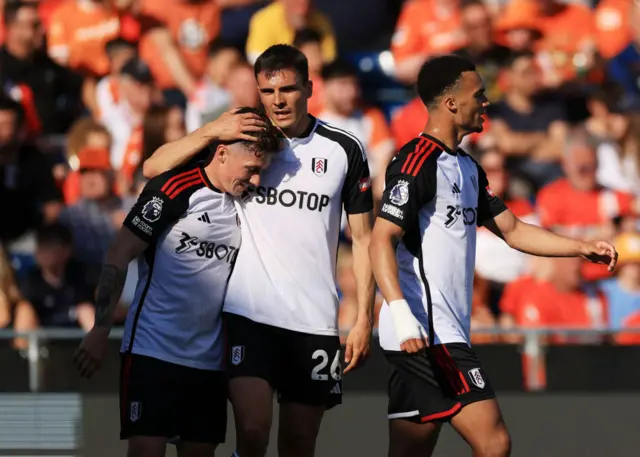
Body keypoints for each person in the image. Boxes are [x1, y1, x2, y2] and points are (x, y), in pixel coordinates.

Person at [368, 55, 618, 457]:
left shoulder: (467, 168)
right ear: (451, 103)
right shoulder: (416, 161)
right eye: (479, 94)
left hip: (437, 331)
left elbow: (514, 231)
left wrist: (579, 246)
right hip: (427, 333)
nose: (486, 102)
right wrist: (400, 314)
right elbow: (380, 239)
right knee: (494, 442)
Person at [142, 44, 376, 457]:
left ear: (309, 86)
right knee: (252, 430)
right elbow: (152, 167)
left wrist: (362, 318)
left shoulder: (344, 149)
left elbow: (362, 238)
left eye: (287, 89)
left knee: (299, 444)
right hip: (249, 313)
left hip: (316, 319)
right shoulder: (239, 136)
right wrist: (211, 130)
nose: (278, 100)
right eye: (267, 92)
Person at [72, 107, 281, 457]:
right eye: (252, 170)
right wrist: (99, 328)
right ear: (222, 152)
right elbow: (118, 254)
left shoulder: (246, 202)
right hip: (153, 351)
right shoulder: (174, 188)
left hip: (209, 362)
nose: (257, 181)